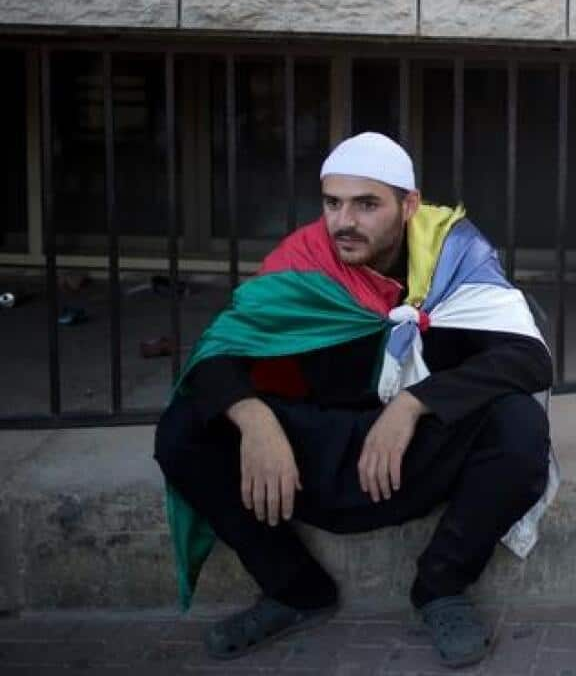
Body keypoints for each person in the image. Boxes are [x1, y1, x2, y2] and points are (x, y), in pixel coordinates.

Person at [155, 132, 554, 668]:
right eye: (332, 202)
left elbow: (529, 357)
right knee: (186, 428)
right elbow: (214, 356)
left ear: (408, 206)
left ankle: (441, 588)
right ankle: (295, 590)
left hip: (417, 451)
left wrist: (413, 405)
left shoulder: (453, 254)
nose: (344, 221)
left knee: (519, 425)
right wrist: (255, 422)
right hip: (317, 451)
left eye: (367, 205)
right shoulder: (304, 260)